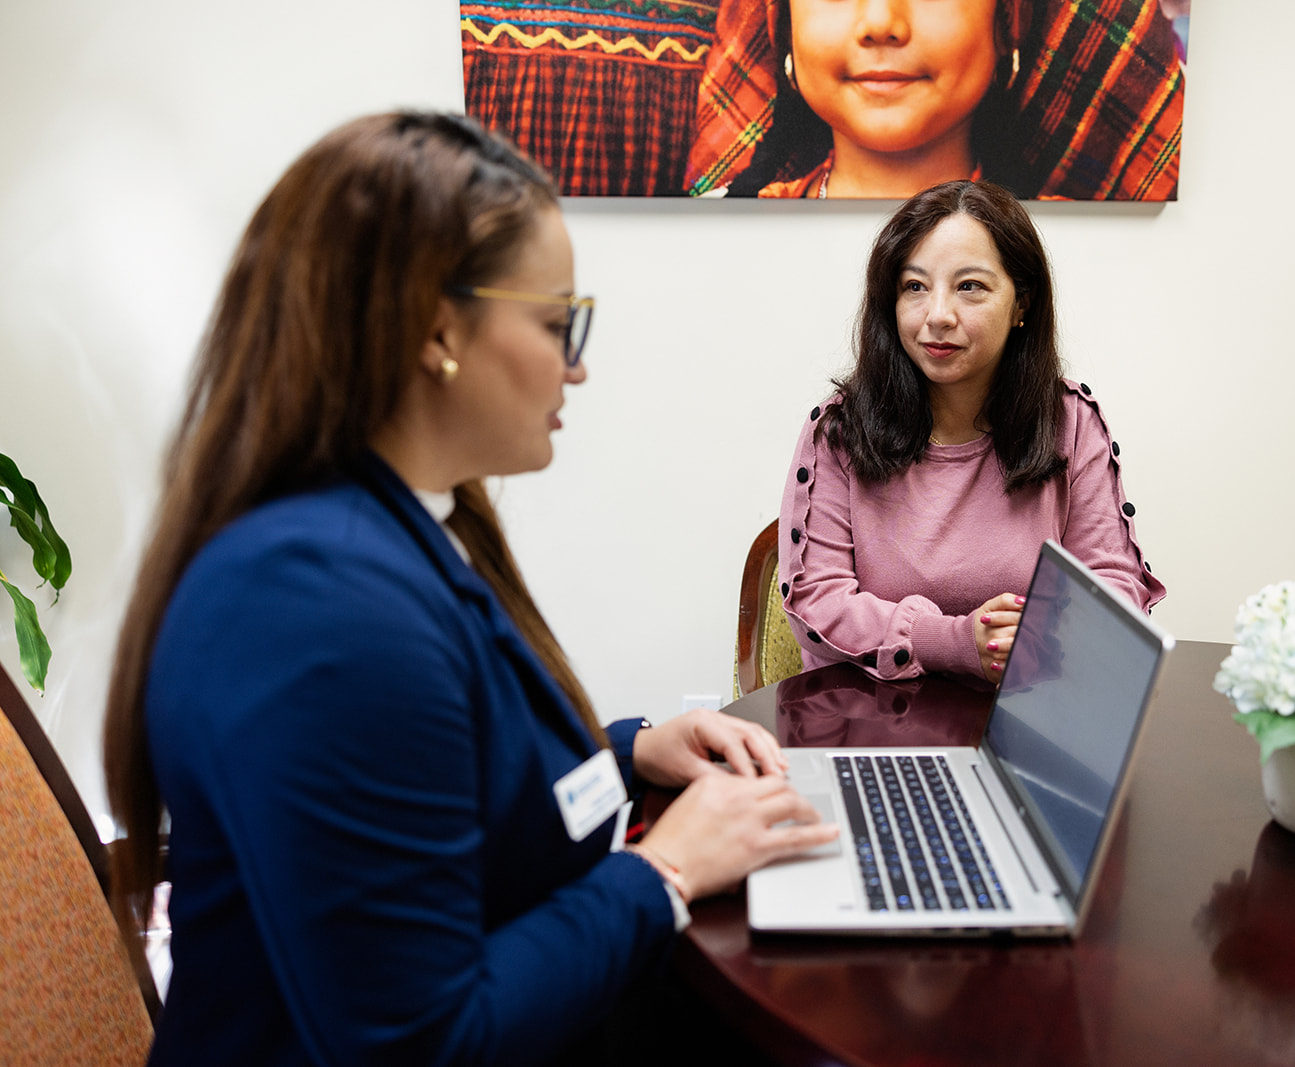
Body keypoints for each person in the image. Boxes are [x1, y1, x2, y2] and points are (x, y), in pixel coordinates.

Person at [101, 111, 835, 1065]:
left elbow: (439, 777)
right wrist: (666, 870)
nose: (576, 362)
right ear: (438, 327)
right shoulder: (316, 606)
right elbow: (421, 1042)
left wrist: (630, 753)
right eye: (554, 319)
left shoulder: (392, 528)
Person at [777, 179, 1164, 682]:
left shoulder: (1068, 420)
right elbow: (817, 600)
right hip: (868, 721)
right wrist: (955, 641)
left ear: (1021, 303)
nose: (938, 316)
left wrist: (1039, 629)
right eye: (914, 287)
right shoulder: (840, 431)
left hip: (1029, 707)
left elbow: (1114, 585)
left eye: (970, 287)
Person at [686, 0, 1184, 200]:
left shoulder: (1089, 257)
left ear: (1005, 22)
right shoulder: (708, 237)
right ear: (783, 24)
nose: (881, 22)